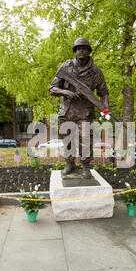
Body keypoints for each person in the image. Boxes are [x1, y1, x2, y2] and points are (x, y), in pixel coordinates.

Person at [49, 37, 110, 178]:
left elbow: (104, 92)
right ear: (75, 51)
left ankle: (86, 166)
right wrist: (66, 92)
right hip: (67, 111)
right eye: (79, 48)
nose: (81, 51)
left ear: (89, 51)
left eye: (85, 48)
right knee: (68, 139)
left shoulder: (96, 72)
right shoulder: (65, 67)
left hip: (85, 112)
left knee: (86, 139)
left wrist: (105, 110)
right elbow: (52, 89)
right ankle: (69, 164)